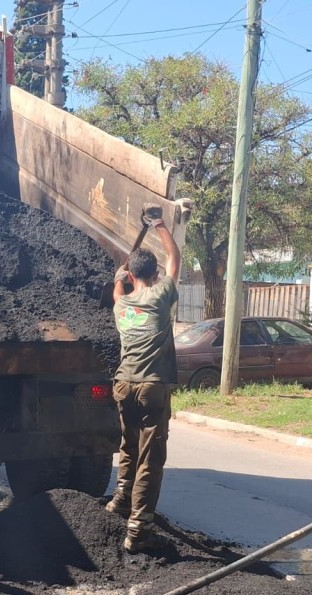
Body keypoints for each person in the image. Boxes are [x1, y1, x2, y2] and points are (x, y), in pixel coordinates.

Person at [104, 204, 181, 553]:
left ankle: (121, 500)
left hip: (123, 384)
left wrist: (123, 272)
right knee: (151, 458)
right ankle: (138, 528)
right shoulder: (161, 296)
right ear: (153, 274)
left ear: (131, 275)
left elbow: (117, 286)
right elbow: (173, 255)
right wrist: (159, 224)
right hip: (151, 386)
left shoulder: (121, 305)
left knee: (128, 447)